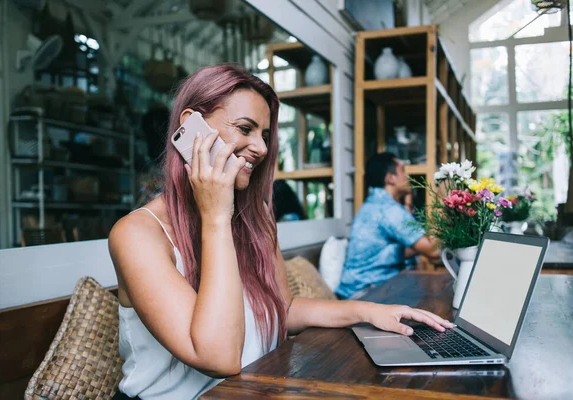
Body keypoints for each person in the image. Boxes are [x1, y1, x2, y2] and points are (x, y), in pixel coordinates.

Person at [108, 65, 453, 400]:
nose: (260, 147)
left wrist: (367, 311)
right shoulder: (137, 234)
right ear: (191, 126)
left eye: (266, 135)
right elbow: (218, 357)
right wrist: (215, 217)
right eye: (245, 129)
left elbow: (282, 309)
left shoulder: (256, 214)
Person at [336, 153, 440, 300]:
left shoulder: (375, 203)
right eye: (402, 171)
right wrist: (442, 199)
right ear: (390, 178)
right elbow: (433, 251)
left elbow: (389, 251)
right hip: (364, 293)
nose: (407, 177)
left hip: (358, 289)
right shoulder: (388, 209)